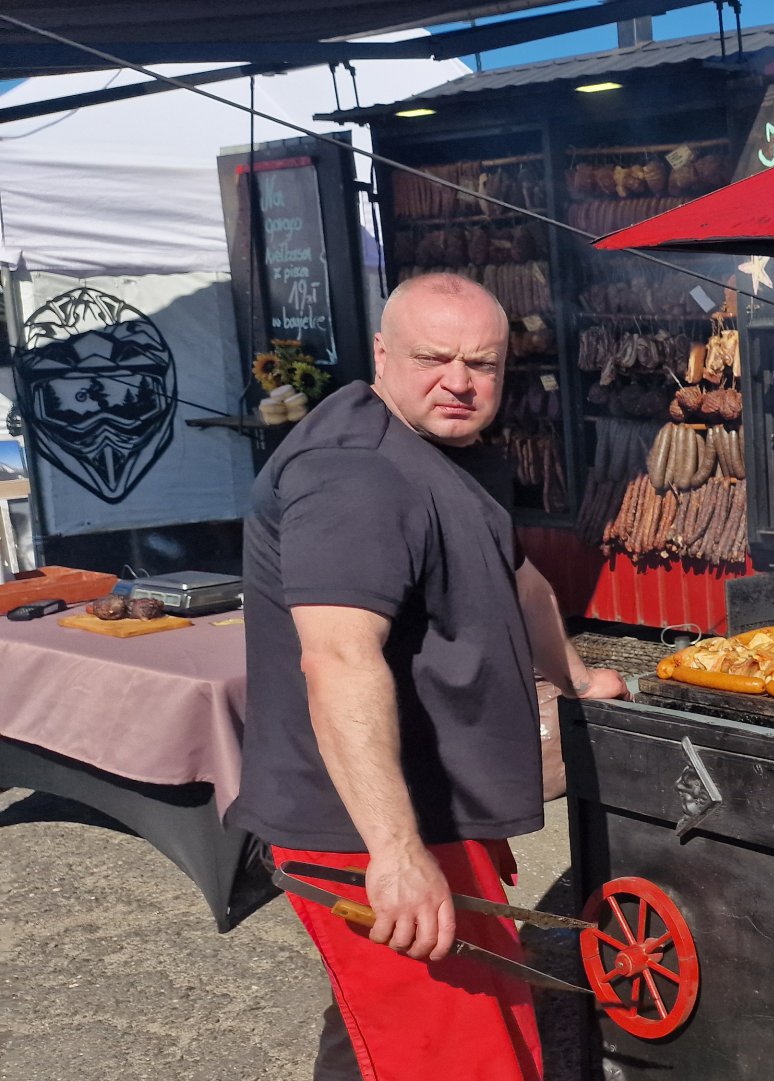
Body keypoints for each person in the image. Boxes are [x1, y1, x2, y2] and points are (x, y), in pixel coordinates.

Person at [231, 273, 627, 1081]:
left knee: (386, 1031)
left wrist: (579, 680)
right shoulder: (356, 477)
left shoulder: (448, 451)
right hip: (364, 823)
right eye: (434, 358)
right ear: (382, 354)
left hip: (430, 800)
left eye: (481, 363)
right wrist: (396, 852)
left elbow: (521, 581)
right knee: (455, 1055)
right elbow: (338, 658)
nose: (459, 381)